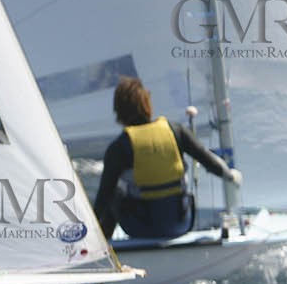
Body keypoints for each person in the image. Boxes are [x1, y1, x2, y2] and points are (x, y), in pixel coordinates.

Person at [93, 77, 243, 240]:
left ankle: (102, 245)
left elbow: (103, 197)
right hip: (180, 225)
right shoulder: (176, 131)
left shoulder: (119, 146)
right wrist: (231, 176)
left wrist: (88, 232)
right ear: (147, 104)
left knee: (115, 192)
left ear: (118, 111)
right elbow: (210, 162)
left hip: (140, 229)